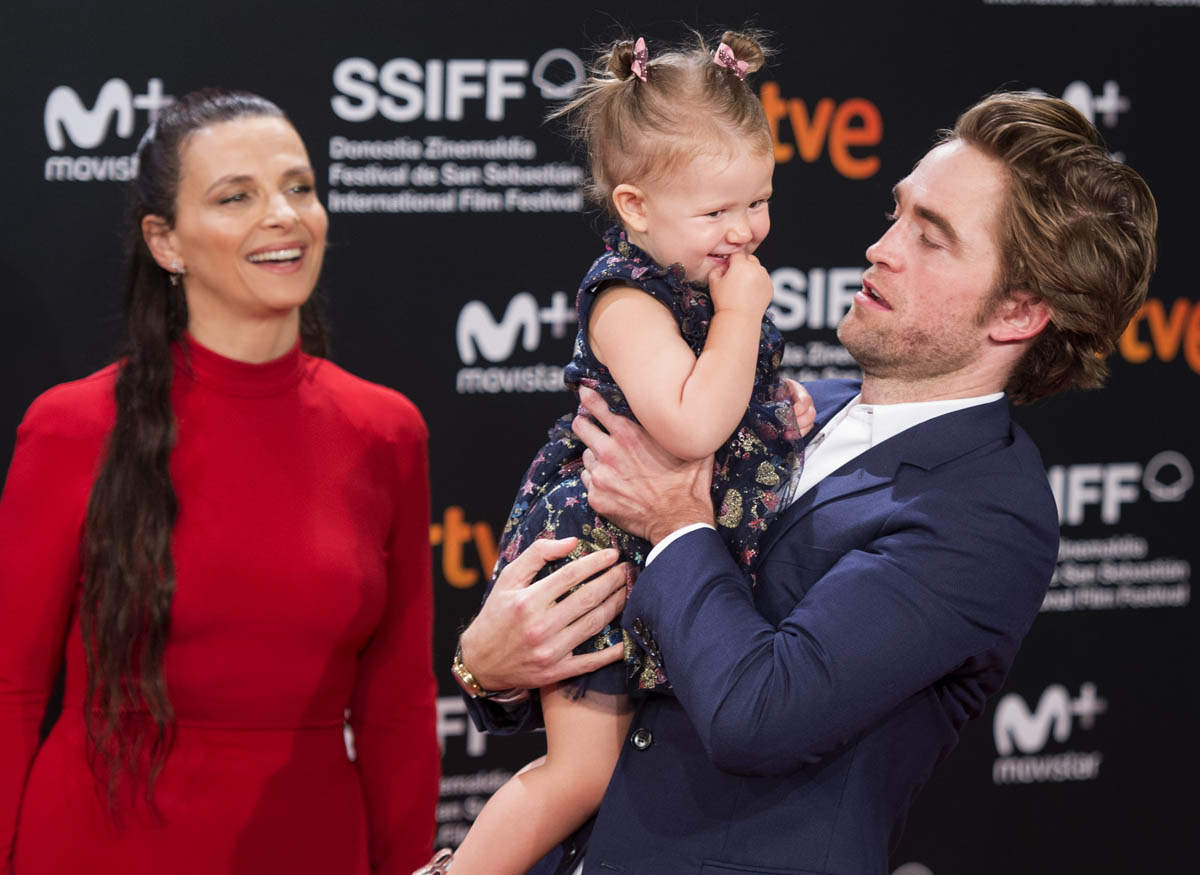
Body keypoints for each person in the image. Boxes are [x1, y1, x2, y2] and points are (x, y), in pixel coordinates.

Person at [456, 90, 1158, 874]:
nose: (881, 248)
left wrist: (678, 525)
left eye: (930, 238)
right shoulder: (774, 408)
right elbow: (607, 663)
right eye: (897, 214)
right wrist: (489, 668)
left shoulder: (988, 515)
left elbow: (758, 713)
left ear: (1019, 312)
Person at [0, 89, 438, 874]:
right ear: (166, 241)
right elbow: (11, 688)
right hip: (98, 847)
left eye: (299, 187)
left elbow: (397, 708)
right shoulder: (71, 428)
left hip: (310, 847)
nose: (284, 216)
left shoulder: (386, 432)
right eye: (237, 196)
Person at [428, 30, 815, 875]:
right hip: (602, 546)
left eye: (759, 200)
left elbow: (725, 400)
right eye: (716, 213)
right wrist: (743, 319)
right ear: (636, 207)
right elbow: (689, 425)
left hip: (666, 546)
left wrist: (777, 406)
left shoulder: (708, 278)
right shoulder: (627, 299)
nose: (745, 231)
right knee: (583, 774)